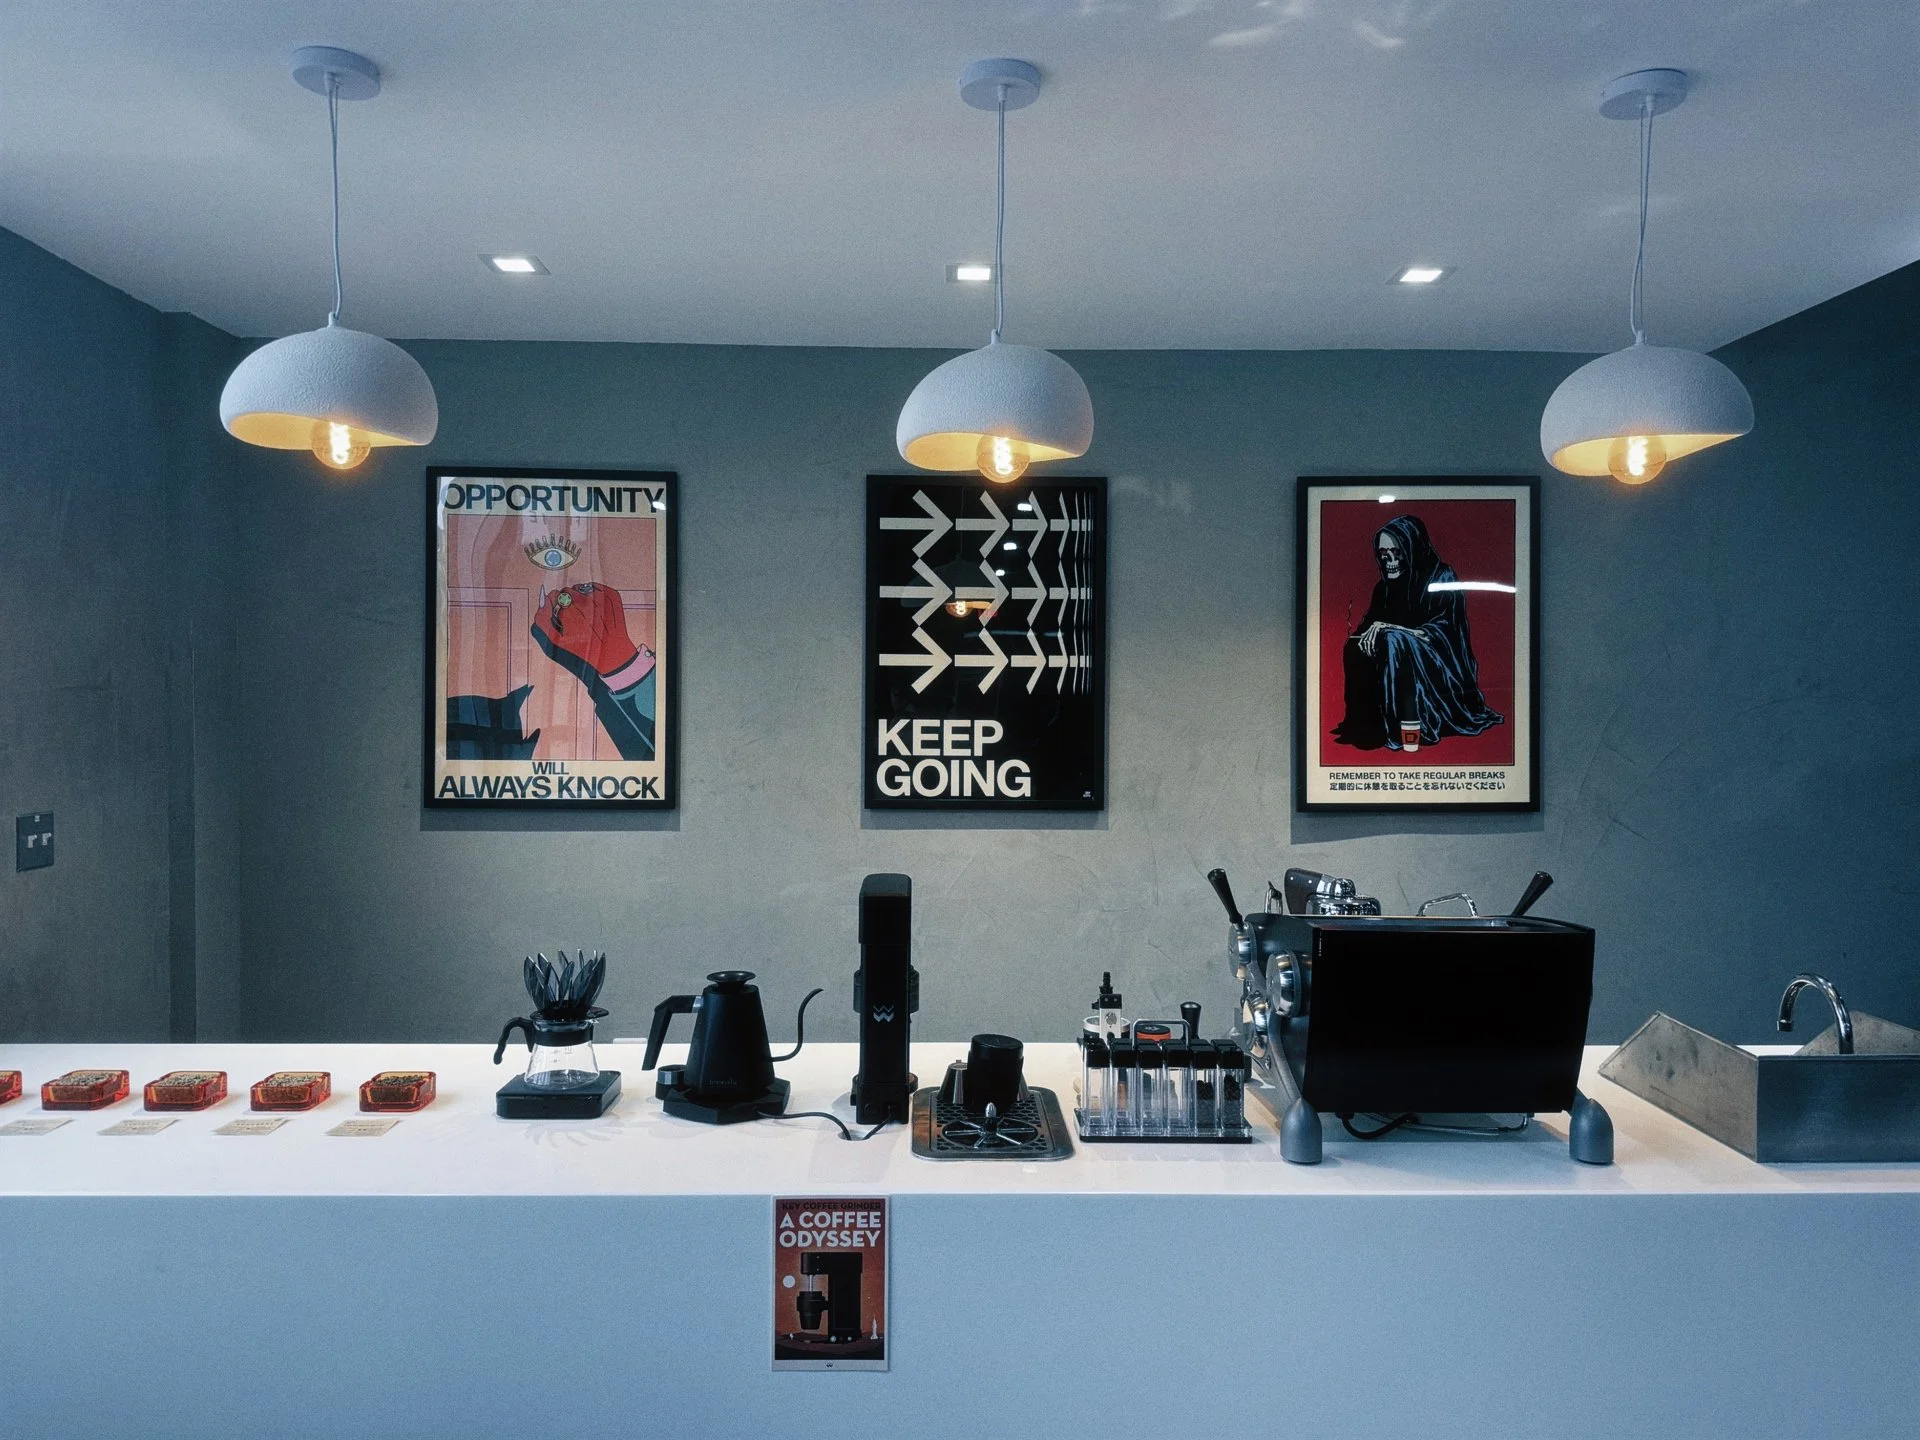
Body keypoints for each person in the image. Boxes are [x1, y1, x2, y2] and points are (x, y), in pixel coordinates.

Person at [1332, 514, 1502, 751]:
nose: (1388, 560)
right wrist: (1365, 637)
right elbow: (1368, 628)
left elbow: (1444, 630)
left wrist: (1393, 630)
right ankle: (1367, 724)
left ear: (1412, 548)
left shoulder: (1441, 576)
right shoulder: (1384, 588)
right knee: (1354, 646)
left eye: (1396, 552)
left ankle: (1401, 727)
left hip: (1440, 661)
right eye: (1383, 553)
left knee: (1393, 639)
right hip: (1398, 650)